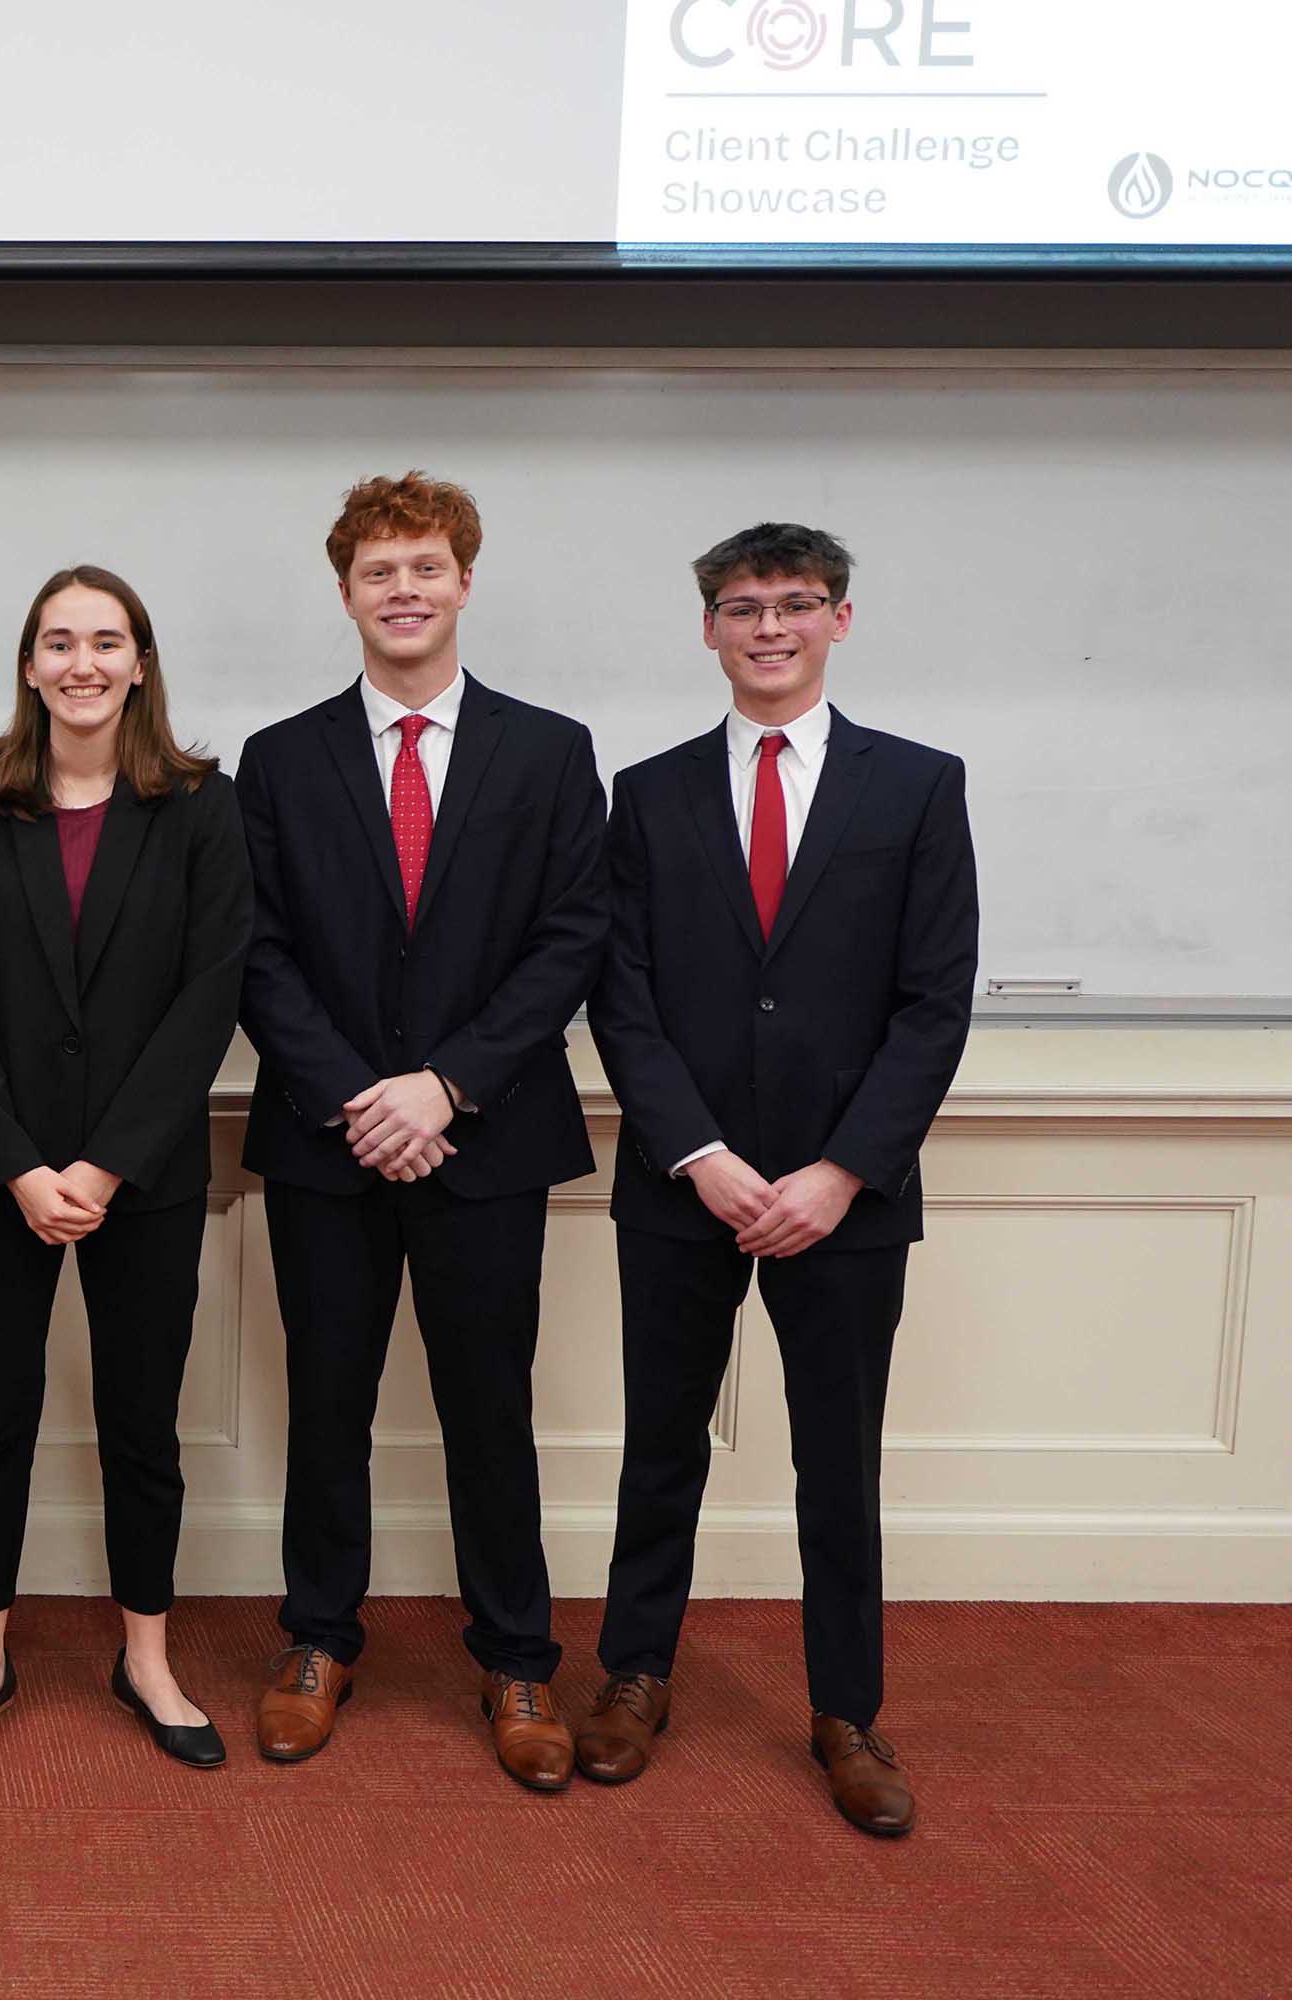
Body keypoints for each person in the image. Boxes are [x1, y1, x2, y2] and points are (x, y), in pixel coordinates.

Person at [579, 524, 975, 1836]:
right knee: (659, 1447)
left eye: (795, 604)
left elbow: (933, 1005)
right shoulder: (648, 793)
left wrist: (843, 1173)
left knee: (838, 1462)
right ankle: (633, 1677)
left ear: (839, 621)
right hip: (682, 1183)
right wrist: (699, 1155)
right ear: (708, 629)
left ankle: (847, 1713)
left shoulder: (917, 787)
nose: (768, 626)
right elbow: (621, 997)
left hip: (842, 1202)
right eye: (741, 606)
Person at [235, 472, 608, 1792]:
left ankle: (517, 1662)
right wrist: (362, 1096)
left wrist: (444, 1088)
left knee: (487, 1410)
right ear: (344, 592)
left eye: (427, 567)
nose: (404, 590)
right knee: (325, 1409)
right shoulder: (278, 760)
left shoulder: (551, 751)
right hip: (327, 1145)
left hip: (486, 1141)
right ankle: (319, 1640)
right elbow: (260, 953)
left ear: (464, 582)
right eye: (379, 571)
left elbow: (572, 939)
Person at [0, 565, 248, 1769]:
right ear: (28, 666)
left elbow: (209, 999)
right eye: (58, 642)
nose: (83, 663)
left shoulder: (204, 807)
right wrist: (17, 1165)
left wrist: (106, 1165)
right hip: (1, 1173)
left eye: (107, 641)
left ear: (142, 663)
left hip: (144, 1176)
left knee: (141, 1425)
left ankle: (147, 1654)